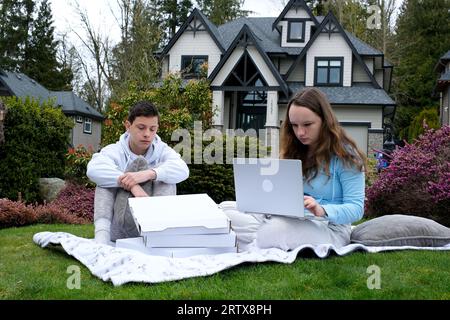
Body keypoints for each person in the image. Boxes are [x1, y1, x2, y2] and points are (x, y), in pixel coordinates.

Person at [221, 88, 366, 251]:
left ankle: (253, 240)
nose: (300, 132)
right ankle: (259, 238)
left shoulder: (346, 156)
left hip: (330, 228)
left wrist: (322, 209)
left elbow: (356, 208)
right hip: (291, 218)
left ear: (324, 121)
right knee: (224, 210)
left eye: (307, 125)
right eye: (294, 125)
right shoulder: (295, 150)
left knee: (274, 230)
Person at [87, 101, 189, 244]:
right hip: (117, 227)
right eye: (141, 128)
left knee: (166, 177)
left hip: (151, 223)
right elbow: (93, 169)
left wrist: (148, 174)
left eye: (152, 129)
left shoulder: (162, 149)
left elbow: (183, 169)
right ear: (128, 126)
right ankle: (101, 238)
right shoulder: (115, 150)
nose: (147, 134)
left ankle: (159, 236)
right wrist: (133, 185)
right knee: (104, 180)